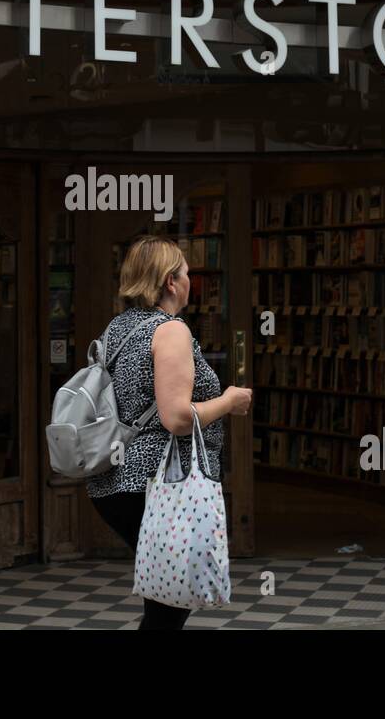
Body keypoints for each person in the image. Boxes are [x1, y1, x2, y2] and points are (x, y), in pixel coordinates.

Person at [87, 235, 253, 629]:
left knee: (166, 599)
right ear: (169, 281)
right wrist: (229, 401)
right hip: (160, 484)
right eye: (185, 272)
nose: (190, 279)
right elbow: (176, 417)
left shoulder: (118, 329)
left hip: (114, 483)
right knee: (170, 603)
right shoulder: (171, 331)